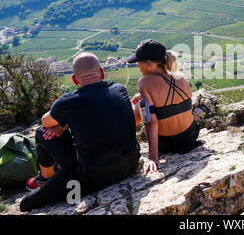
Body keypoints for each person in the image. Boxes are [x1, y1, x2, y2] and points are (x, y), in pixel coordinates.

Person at [20, 52, 140, 212]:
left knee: (42, 132)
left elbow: (45, 121)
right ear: (102, 72)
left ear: (75, 79)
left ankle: (46, 177)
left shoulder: (67, 102)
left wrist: (63, 123)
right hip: (130, 164)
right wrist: (67, 122)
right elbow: (98, 113)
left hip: (92, 177)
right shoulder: (120, 89)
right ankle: (51, 176)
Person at [127, 39, 201, 175]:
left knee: (139, 107)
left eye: (139, 62)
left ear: (149, 63)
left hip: (167, 144)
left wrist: (153, 158)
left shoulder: (144, 82)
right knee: (143, 103)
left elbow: (150, 121)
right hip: (191, 135)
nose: (137, 66)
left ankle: (120, 140)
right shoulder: (181, 77)